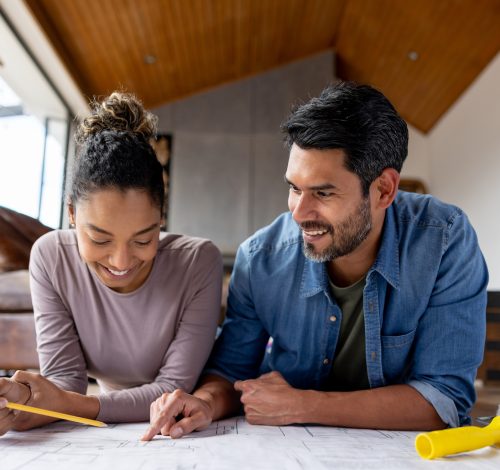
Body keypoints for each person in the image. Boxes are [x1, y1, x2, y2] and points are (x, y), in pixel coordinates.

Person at [142, 81, 488, 441]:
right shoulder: (260, 259)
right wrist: (206, 403)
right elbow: (230, 373)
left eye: (323, 193)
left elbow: (445, 398)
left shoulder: (444, 241)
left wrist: (305, 405)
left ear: (384, 190)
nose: (299, 213)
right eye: (294, 188)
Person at [0, 92, 222, 435]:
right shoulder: (51, 257)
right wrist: (22, 399)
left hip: (191, 419)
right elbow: (66, 381)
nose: (120, 262)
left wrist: (68, 404)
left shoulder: (197, 262)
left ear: (161, 217)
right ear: (72, 213)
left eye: (143, 240)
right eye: (100, 240)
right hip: (114, 424)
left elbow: (174, 386)